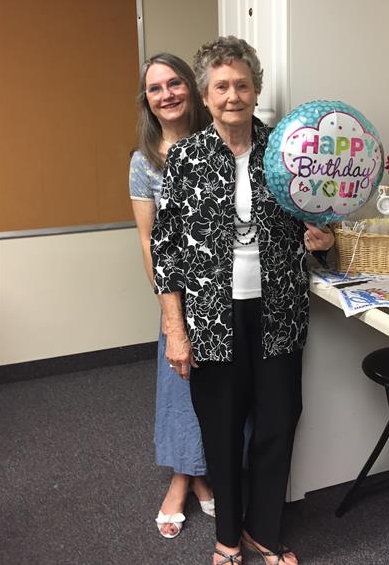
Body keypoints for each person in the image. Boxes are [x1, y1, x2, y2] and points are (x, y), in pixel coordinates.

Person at [151, 37, 334, 564]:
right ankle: (227, 537)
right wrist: (176, 329)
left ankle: (265, 532)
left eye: (242, 85)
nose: (233, 95)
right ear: (206, 96)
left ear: (256, 91)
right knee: (223, 431)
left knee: (277, 424)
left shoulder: (287, 151)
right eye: (221, 86)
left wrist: (320, 240)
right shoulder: (185, 157)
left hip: (278, 312)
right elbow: (165, 249)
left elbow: (311, 225)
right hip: (210, 318)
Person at [129, 52, 214, 538]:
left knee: (220, 389)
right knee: (180, 386)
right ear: (148, 100)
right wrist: (168, 306)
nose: (166, 94)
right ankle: (185, 480)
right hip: (179, 294)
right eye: (155, 88)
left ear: (192, 87)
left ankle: (201, 473)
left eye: (174, 83)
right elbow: (147, 238)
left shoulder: (219, 144)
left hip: (228, 291)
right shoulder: (144, 161)